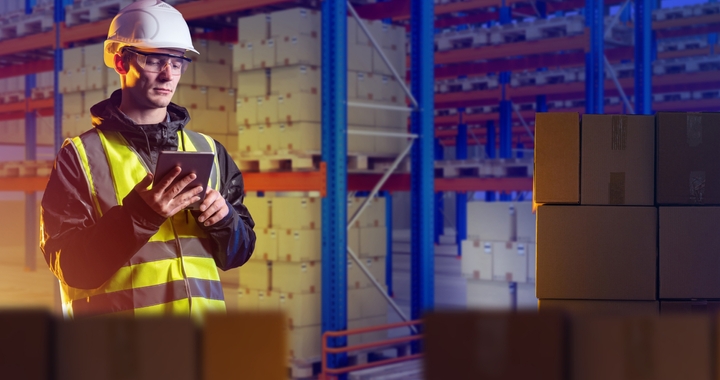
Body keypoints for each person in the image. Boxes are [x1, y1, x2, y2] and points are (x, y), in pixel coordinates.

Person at [39, 0, 255, 318]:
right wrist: (141, 215)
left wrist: (224, 221)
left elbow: (238, 252)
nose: (169, 74)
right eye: (155, 60)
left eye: (178, 62)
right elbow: (70, 266)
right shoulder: (81, 158)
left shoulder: (208, 150)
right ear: (120, 61)